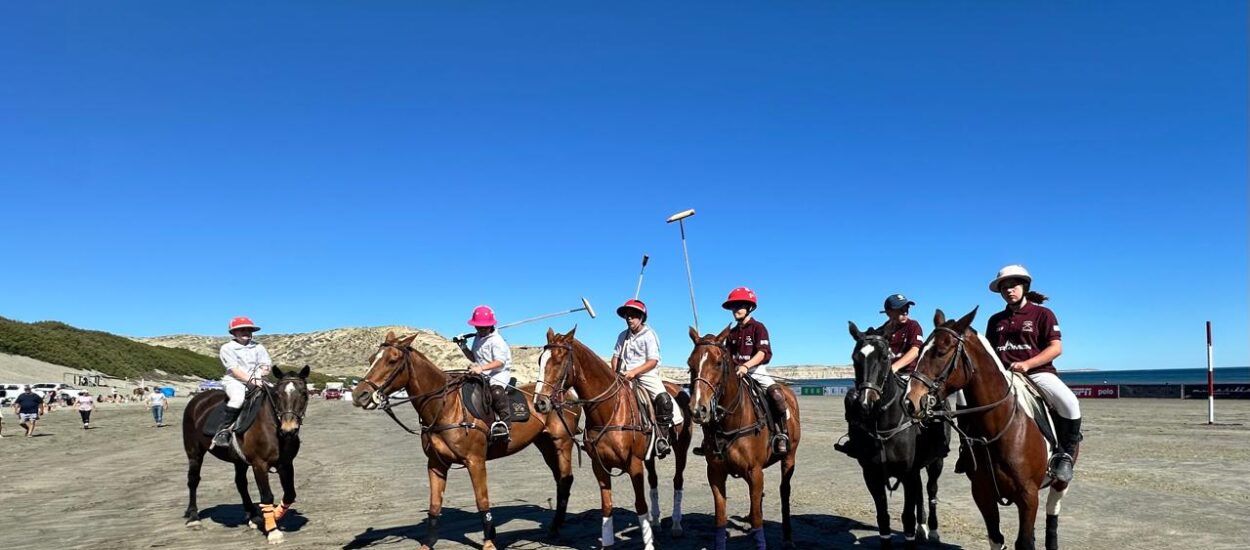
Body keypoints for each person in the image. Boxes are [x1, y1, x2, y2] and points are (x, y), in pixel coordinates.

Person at [978, 264, 1083, 483]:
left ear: (1024, 286)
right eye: (1004, 287)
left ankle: (1064, 454)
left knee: (1070, 403)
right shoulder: (995, 320)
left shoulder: (1042, 314)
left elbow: (1056, 348)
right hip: (1004, 376)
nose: (1009, 290)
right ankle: (969, 450)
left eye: (1013, 285)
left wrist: (1027, 364)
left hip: (1037, 374)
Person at [836, 293, 926, 459]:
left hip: (908, 375)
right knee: (854, 399)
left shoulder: (913, 326)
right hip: (883, 378)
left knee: (919, 403)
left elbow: (915, 351)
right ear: (889, 312)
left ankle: (928, 441)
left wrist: (894, 368)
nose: (905, 311)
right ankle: (856, 440)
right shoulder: (882, 330)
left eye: (906, 307)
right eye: (900, 308)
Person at [722, 287, 789, 454]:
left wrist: (746, 366)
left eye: (739, 305)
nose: (735, 309)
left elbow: (762, 352)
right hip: (735, 373)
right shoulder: (731, 333)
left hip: (756, 370)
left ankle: (782, 433)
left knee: (777, 395)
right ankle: (710, 438)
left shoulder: (758, 327)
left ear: (749, 307)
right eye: (733, 306)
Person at [611, 299, 681, 458]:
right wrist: (614, 372)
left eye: (634, 316)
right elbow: (615, 356)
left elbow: (653, 361)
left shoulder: (649, 335)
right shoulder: (623, 335)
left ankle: (662, 439)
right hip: (623, 374)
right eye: (627, 316)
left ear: (641, 317)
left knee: (664, 400)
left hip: (645, 374)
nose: (630, 318)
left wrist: (634, 372)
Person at [454, 306, 513, 439]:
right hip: (484, 372)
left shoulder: (497, 341)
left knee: (496, 392)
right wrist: (462, 346)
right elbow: (474, 357)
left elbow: (500, 362)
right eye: (478, 327)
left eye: (483, 327)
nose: (480, 330)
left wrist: (481, 368)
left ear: (491, 325)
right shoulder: (477, 338)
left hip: (498, 373)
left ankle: (506, 424)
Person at [213, 316, 273, 448]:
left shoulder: (259, 347)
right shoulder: (227, 348)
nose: (246, 332)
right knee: (238, 399)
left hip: (258, 378)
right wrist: (252, 381)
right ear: (234, 333)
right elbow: (234, 370)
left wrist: (264, 371)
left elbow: (266, 364)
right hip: (235, 380)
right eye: (241, 330)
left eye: (248, 329)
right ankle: (223, 431)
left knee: (277, 395)